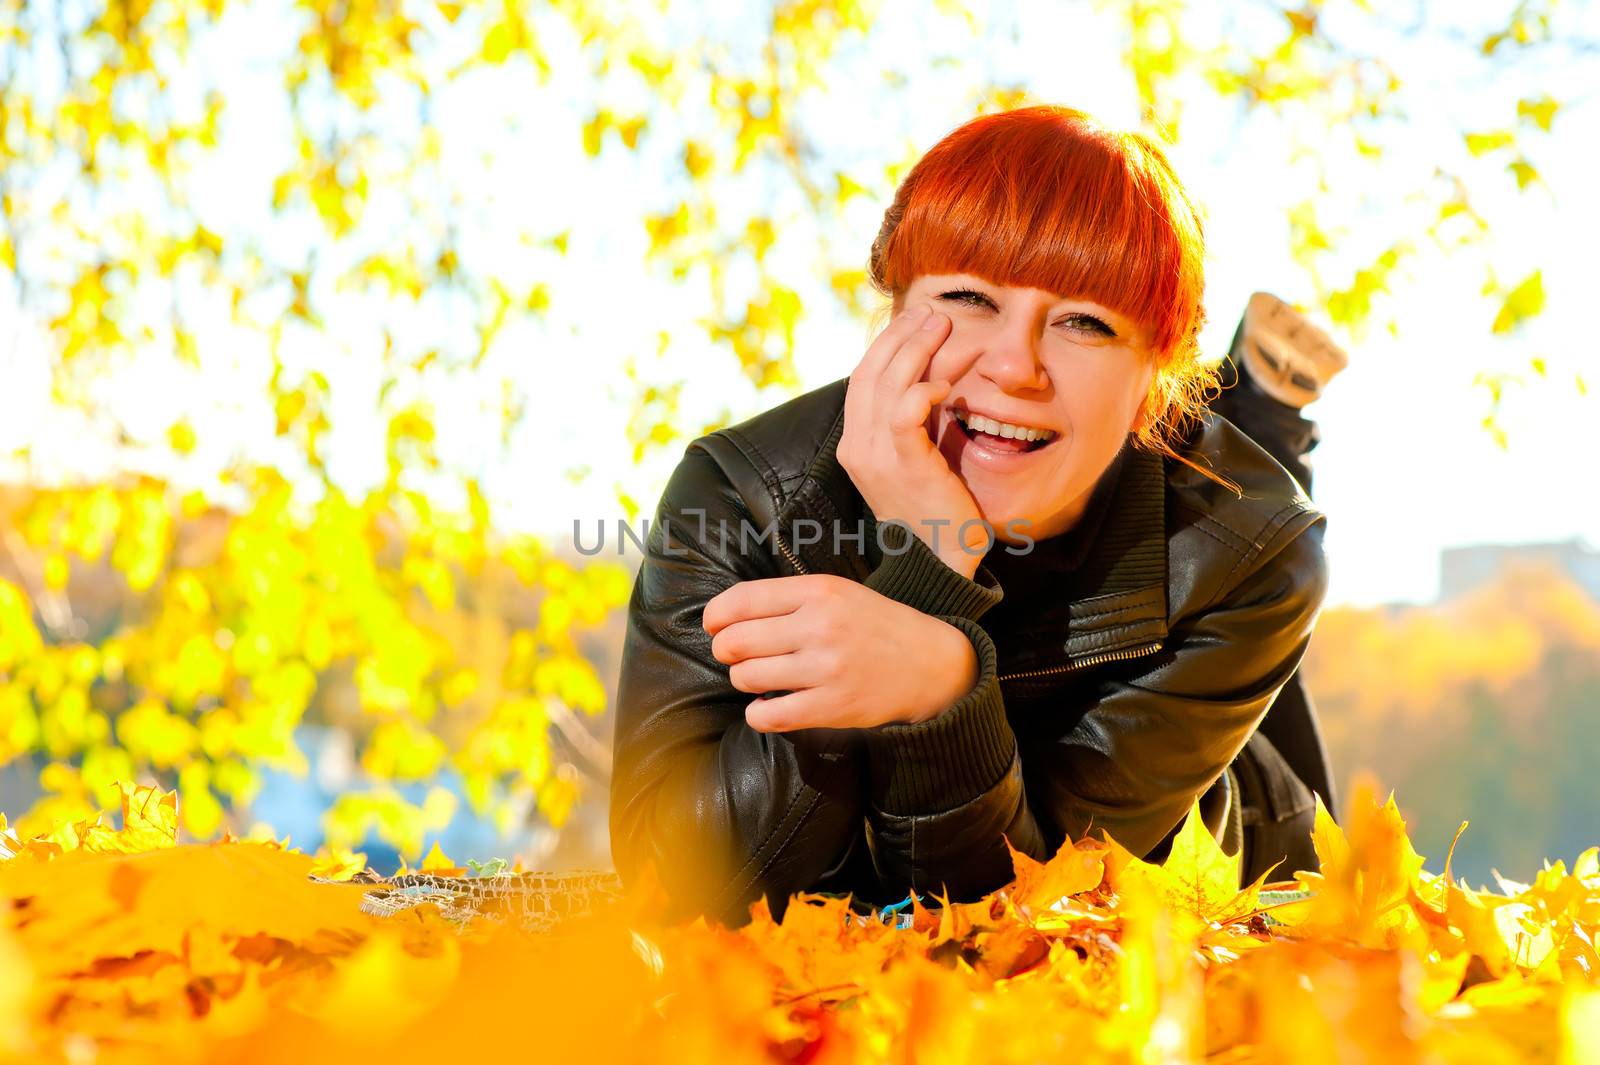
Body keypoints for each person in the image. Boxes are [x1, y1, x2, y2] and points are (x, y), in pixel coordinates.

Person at [608, 104, 1348, 928]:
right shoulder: (739, 497)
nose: (1013, 366)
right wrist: (915, 575)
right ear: (894, 315)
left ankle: (1263, 414)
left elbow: (1029, 918)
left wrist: (938, 683)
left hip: (1202, 889)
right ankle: (1260, 408)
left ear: (1152, 376)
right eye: (968, 296)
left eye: (1084, 322)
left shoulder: (1252, 550)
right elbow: (671, 881)